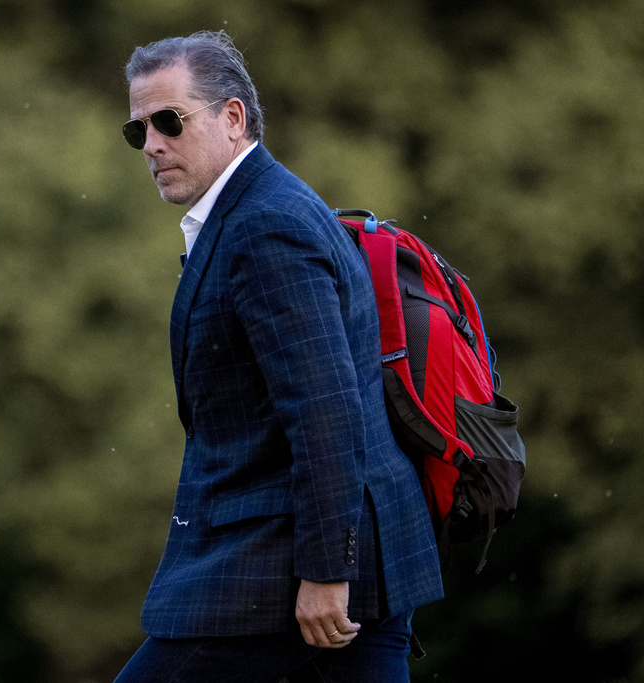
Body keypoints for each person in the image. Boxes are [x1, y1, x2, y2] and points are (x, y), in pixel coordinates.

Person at [114, 30, 444, 683]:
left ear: (232, 117)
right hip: (333, 557)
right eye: (138, 130)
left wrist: (326, 571)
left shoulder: (267, 226)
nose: (151, 144)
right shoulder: (254, 211)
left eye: (169, 121)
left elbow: (325, 409)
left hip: (287, 570)